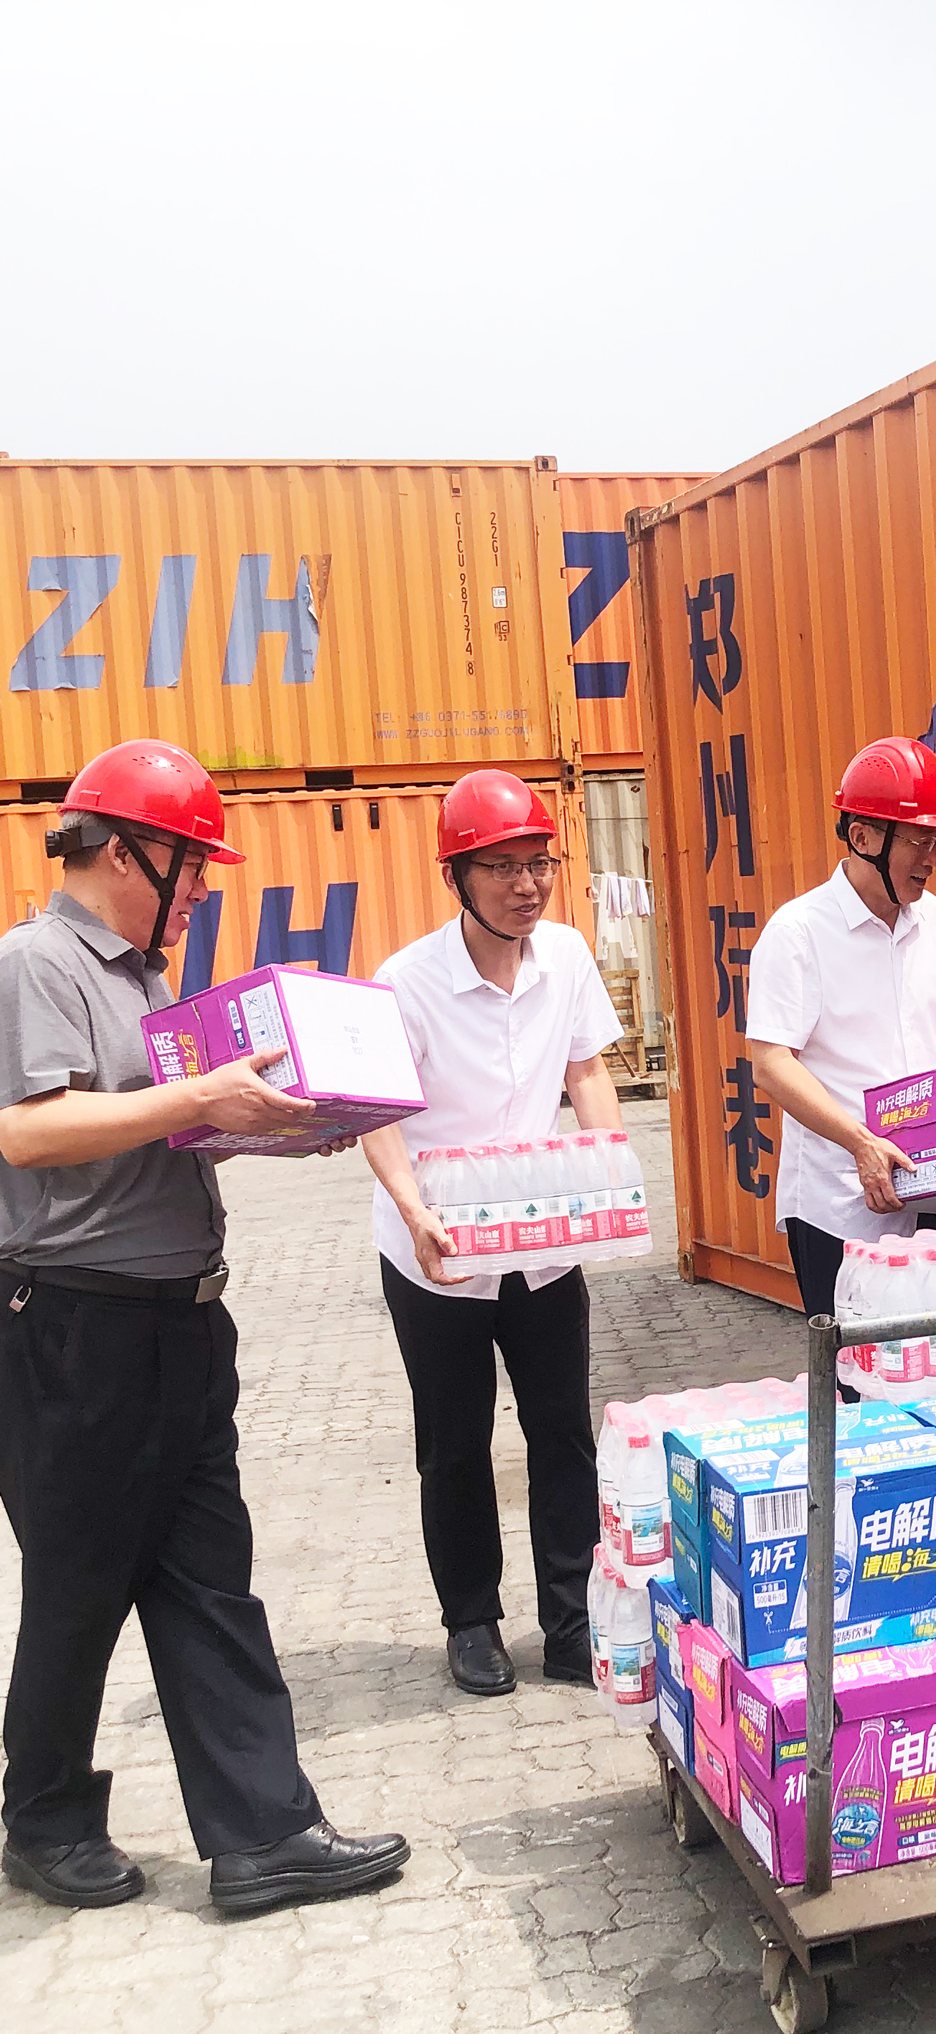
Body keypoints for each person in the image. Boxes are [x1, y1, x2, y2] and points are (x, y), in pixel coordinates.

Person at [0, 740, 407, 1915]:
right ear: (129, 853)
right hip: (76, 1331)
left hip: (180, 1327)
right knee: (82, 1585)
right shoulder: (36, 965)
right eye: (193, 868)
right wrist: (199, 1096)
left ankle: (264, 1833)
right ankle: (44, 1820)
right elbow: (28, 1132)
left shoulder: (143, 980)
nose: (201, 893)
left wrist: (277, 1126)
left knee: (209, 1583)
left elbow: (153, 1135)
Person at [360, 771, 625, 1700]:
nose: (527, 884)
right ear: (457, 878)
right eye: (502, 867)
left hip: (541, 1243)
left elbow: (586, 1069)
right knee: (456, 1442)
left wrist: (606, 1163)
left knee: (563, 1434)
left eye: (538, 863)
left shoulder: (567, 957)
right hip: (436, 1253)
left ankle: (572, 1622)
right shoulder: (406, 982)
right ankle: (471, 1621)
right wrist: (412, 1211)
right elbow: (378, 1113)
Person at [746, 736, 936, 1325]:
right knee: (858, 1369)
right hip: (842, 1203)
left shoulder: (933, 920)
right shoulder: (798, 933)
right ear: (863, 837)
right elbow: (772, 1063)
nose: (932, 858)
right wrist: (860, 1143)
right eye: (918, 840)